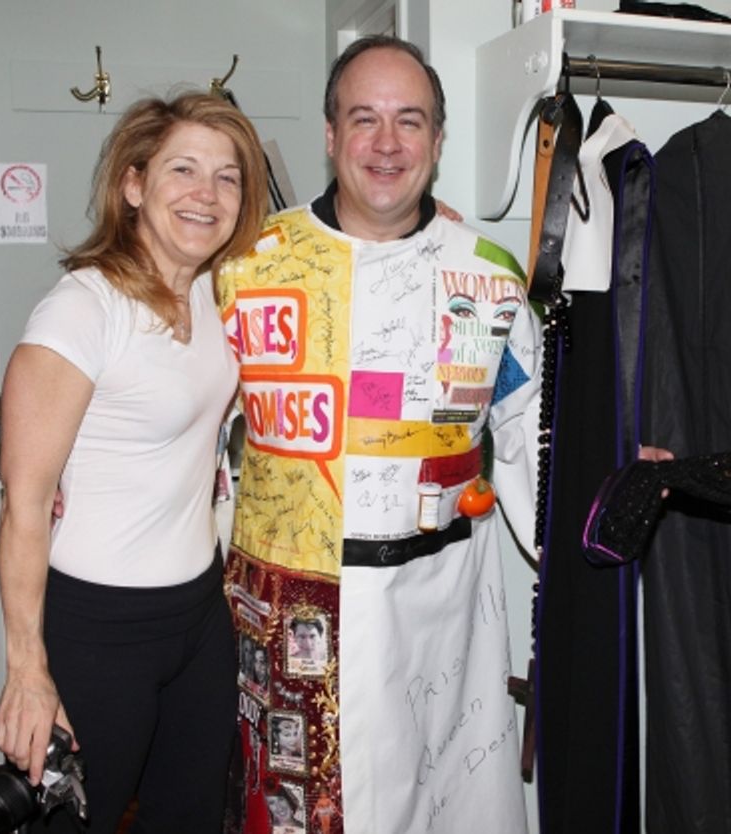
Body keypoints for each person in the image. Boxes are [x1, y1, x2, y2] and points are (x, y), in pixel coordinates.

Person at [219, 35, 540, 834]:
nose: (388, 144)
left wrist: (607, 510)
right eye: (364, 120)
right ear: (330, 136)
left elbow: (536, 431)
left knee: (445, 804)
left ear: (437, 140)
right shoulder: (250, 268)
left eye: (411, 121)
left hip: (445, 612)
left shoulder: (489, 275)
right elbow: (189, 430)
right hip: (298, 612)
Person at [0, 92, 268, 832]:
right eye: (183, 169)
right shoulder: (83, 308)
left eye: (227, 176)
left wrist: (427, 234)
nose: (205, 194)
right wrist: (28, 669)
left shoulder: (221, 291)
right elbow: (23, 504)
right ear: (135, 185)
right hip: (98, 626)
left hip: (199, 617)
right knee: (76, 821)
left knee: (187, 817)